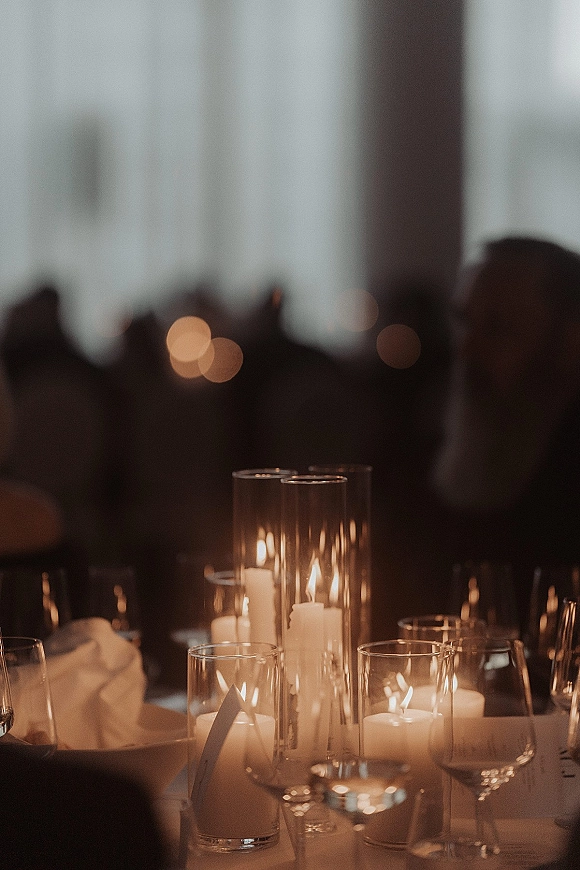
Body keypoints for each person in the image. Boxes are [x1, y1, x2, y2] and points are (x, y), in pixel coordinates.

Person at [431, 236, 580, 631]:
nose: (466, 349)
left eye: (497, 327)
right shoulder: (430, 446)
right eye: (464, 321)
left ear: (570, 340)